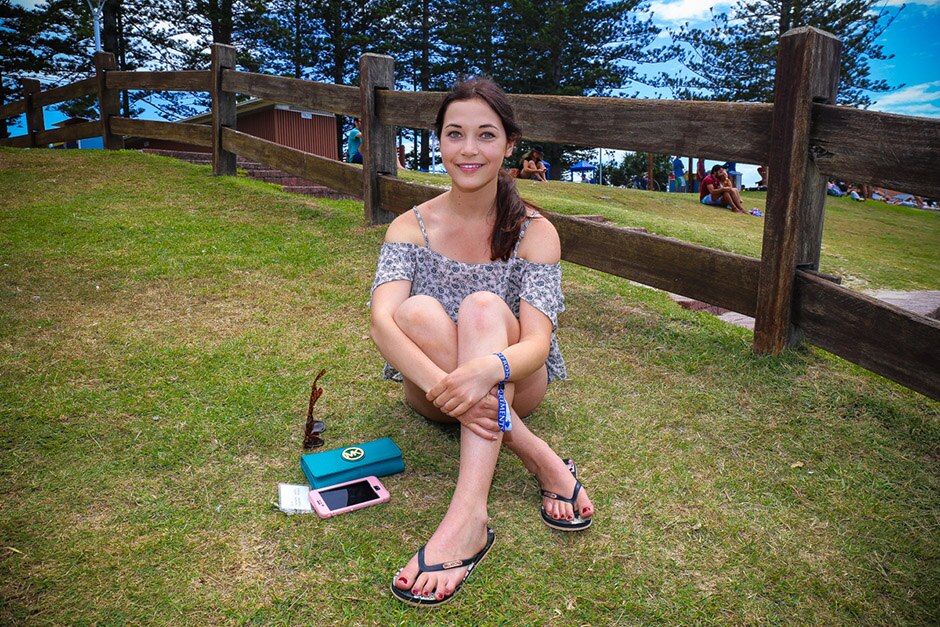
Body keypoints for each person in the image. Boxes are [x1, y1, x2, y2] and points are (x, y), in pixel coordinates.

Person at [369, 77, 594, 607]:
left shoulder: (535, 230)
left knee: (484, 306)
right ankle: (535, 452)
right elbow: (382, 323)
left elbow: (538, 342)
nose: (469, 150)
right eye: (455, 134)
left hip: (513, 380)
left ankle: (468, 516)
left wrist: (486, 368)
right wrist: (446, 383)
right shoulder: (409, 226)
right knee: (414, 310)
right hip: (433, 394)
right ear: (439, 142)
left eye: (486, 135)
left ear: (509, 144)